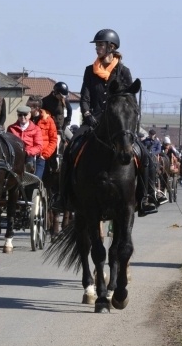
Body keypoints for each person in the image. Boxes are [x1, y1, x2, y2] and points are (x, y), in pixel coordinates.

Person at [58, 28, 160, 216]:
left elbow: (130, 101)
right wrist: (88, 115)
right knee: (70, 148)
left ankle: (147, 196)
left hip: (119, 124)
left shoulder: (123, 71)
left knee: (146, 156)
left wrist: (129, 124)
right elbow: (85, 98)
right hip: (93, 121)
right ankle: (63, 197)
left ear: (111, 47)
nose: (97, 48)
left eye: (100, 45)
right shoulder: (90, 71)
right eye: (97, 45)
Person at [8, 105, 43, 174]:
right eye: (20, 115)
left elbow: (39, 146)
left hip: (28, 155)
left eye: (25, 115)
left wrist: (27, 152)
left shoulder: (36, 129)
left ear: (29, 115)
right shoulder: (11, 128)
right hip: (15, 155)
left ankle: (28, 173)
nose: (22, 117)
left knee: (29, 162)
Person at [30, 102, 58, 179]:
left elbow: (53, 140)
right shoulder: (26, 118)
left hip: (41, 155)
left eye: (30, 107)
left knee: (36, 180)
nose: (28, 109)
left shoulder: (48, 121)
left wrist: (45, 155)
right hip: (29, 154)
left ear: (37, 108)